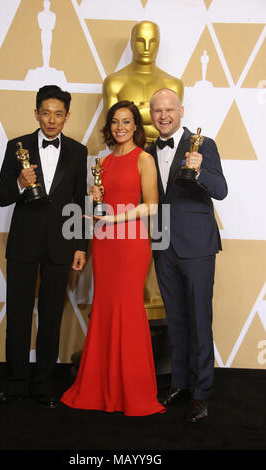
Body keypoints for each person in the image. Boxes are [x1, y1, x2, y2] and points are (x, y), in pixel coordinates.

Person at [60, 100, 166, 416]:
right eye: (115, 122)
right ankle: (101, 385)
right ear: (110, 127)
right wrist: (95, 203)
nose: (120, 127)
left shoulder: (144, 159)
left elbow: (152, 205)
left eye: (126, 121)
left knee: (128, 309)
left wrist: (116, 219)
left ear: (136, 126)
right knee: (105, 307)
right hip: (104, 243)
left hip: (131, 243)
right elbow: (99, 210)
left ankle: (132, 391)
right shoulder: (102, 162)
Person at [0, 85, 88, 408]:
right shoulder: (16, 147)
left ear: (67, 116)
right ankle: (15, 383)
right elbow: (2, 196)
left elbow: (78, 202)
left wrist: (80, 246)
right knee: (18, 315)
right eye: (45, 113)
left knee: (50, 317)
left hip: (62, 246)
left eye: (58, 114)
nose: (51, 120)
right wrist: (20, 182)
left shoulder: (78, 151)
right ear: (36, 113)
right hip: (23, 245)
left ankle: (43, 385)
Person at [147, 88, 228, 422]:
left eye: (169, 110)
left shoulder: (203, 144)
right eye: (157, 111)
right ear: (151, 115)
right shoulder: (148, 151)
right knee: (176, 321)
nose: (163, 116)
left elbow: (220, 190)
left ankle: (201, 393)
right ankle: (179, 384)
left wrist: (199, 170)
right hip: (163, 246)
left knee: (198, 320)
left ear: (181, 110)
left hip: (196, 246)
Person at [102, 20, 183, 144]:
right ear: (132, 43)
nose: (146, 48)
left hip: (163, 157)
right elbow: (112, 131)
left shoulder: (173, 85)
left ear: (158, 43)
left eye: (152, 42)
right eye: (140, 41)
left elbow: (173, 129)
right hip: (127, 157)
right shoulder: (114, 83)